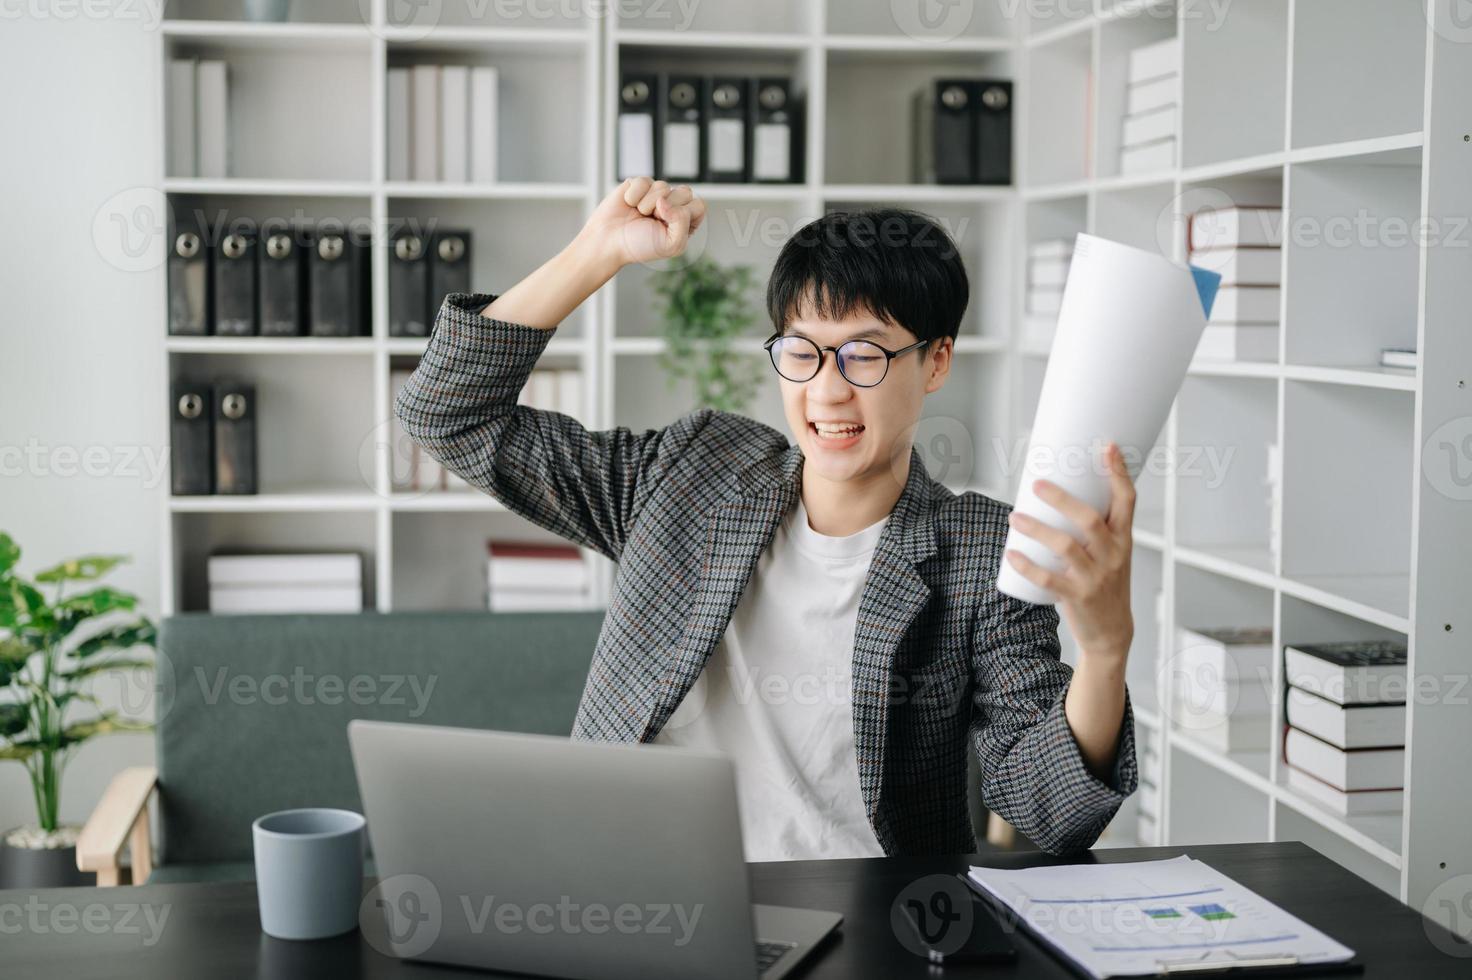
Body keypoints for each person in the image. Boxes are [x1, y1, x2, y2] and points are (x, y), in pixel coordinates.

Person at [395, 177, 1138, 860]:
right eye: (802, 354)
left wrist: (1104, 651)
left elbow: (1047, 814)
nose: (827, 392)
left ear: (936, 362)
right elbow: (446, 415)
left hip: (867, 923)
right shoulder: (695, 473)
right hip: (629, 893)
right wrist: (598, 253)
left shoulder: (982, 552)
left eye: (864, 357)